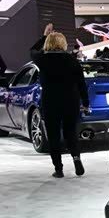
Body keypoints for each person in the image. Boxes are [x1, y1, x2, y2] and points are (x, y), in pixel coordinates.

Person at [30, 32, 89, 178]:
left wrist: (44, 36)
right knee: (71, 132)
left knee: (53, 135)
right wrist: (86, 103)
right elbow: (81, 84)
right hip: (71, 101)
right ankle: (76, 158)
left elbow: (32, 50)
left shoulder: (42, 60)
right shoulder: (72, 60)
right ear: (63, 43)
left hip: (51, 102)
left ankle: (58, 169)